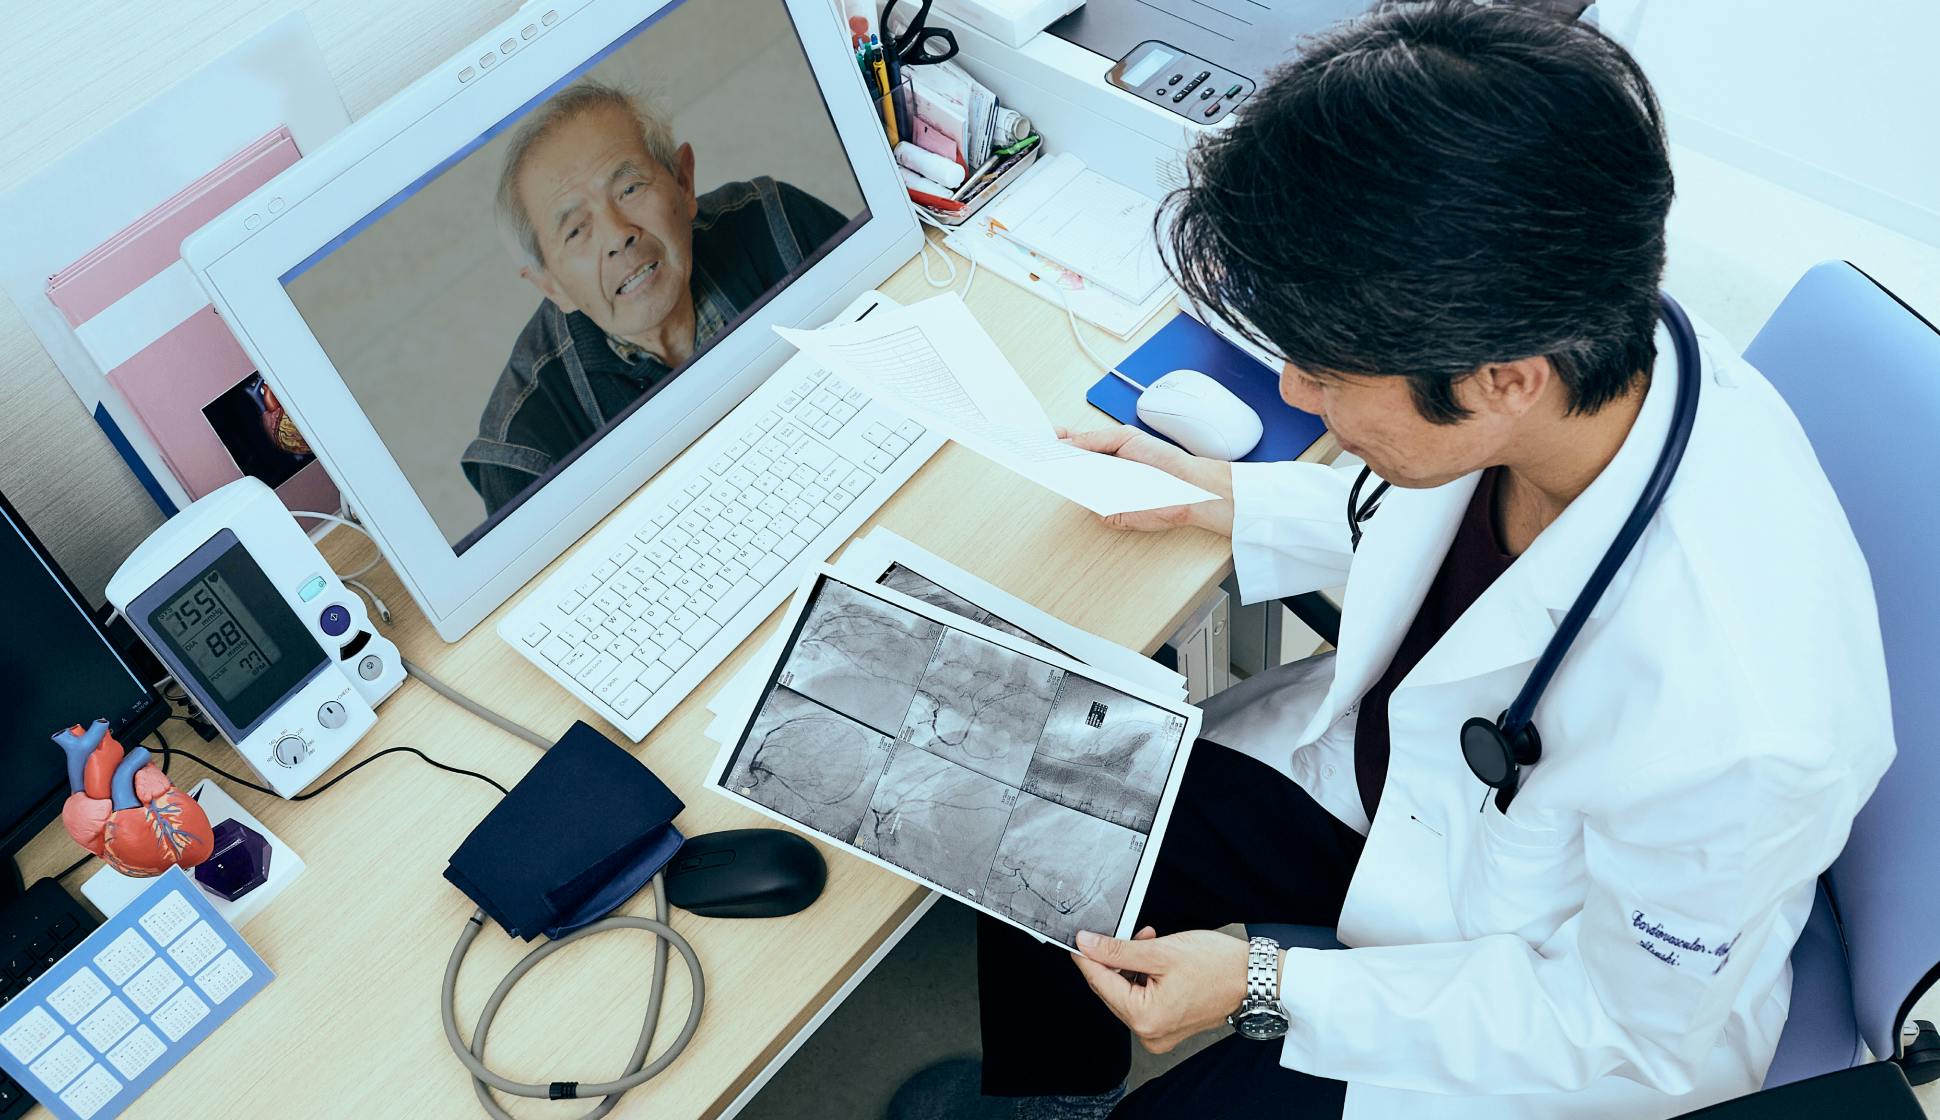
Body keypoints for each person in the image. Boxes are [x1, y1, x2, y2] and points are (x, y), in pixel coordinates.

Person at [907, 4, 1896, 1119]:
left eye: (1326, 374)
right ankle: (1047, 1097)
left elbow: (1622, 1029)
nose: (1292, 397)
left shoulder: (1743, 719)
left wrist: (1268, 983)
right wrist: (1228, 493)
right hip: (1388, 791)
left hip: (1536, 995)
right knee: (1014, 802)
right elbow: (1435, 537)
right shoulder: (1584, 338)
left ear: (1500, 379)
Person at [462, 80, 850, 514]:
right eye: (576, 230)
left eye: (629, 189)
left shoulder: (778, 224)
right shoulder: (527, 447)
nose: (617, 235)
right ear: (550, 285)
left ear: (683, 182)